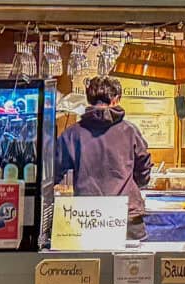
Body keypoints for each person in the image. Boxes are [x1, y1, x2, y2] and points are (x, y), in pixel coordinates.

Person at [54, 76, 152, 240]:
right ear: (116, 99)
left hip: (87, 218)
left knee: (91, 257)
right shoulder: (129, 131)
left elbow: (53, 172)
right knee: (131, 257)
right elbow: (144, 167)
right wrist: (134, 185)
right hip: (127, 216)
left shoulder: (72, 134)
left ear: (88, 100)